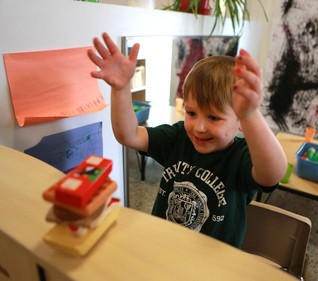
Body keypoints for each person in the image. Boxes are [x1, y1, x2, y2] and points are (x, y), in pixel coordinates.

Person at [87, 32, 287, 248]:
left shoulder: (241, 157)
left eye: (213, 117)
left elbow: (272, 174)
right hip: (162, 247)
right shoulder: (179, 137)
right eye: (191, 113)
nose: (199, 127)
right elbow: (129, 135)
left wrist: (251, 115)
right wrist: (120, 89)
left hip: (209, 263)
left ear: (239, 120)